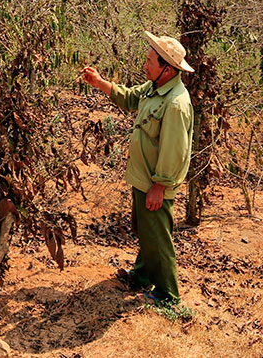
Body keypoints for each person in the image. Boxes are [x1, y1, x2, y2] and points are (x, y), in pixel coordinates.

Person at [81, 31, 194, 306]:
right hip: (143, 178)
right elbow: (131, 98)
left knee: (157, 239)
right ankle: (143, 276)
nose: (145, 65)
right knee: (145, 229)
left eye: (150, 61)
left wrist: (159, 186)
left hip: (155, 184)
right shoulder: (155, 88)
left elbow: (174, 152)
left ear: (167, 69)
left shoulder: (176, 104)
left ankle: (168, 296)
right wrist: (99, 83)